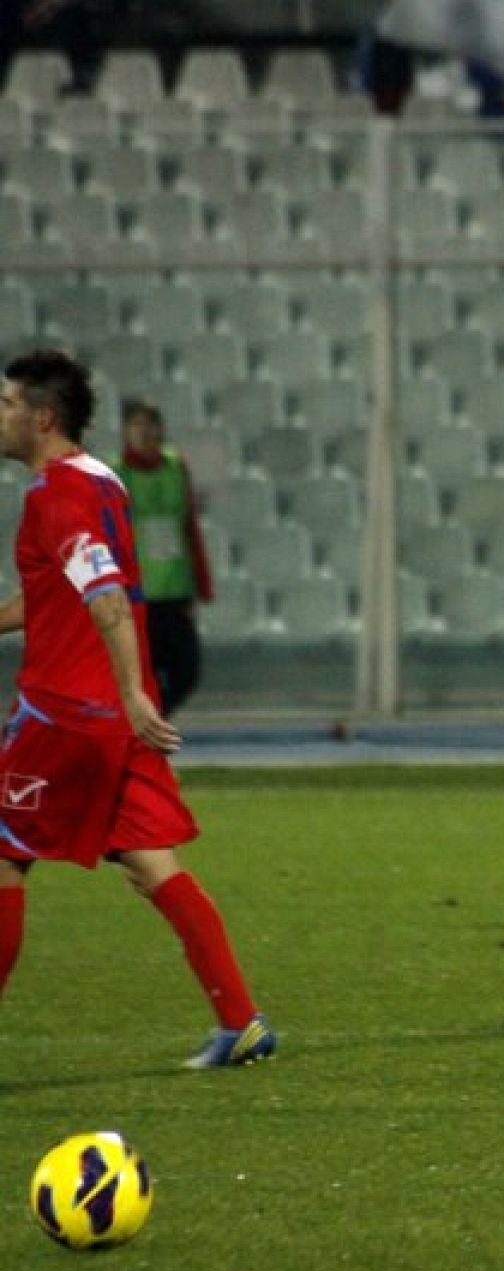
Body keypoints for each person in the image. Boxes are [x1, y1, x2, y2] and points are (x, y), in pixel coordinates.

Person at [0, 350, 275, 1069]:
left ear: (43, 418)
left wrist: (131, 691)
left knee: (3, 858)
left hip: (65, 714)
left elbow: (105, 596)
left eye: (6, 404)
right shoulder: (102, 480)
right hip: (112, 722)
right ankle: (241, 1022)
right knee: (153, 865)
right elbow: (61, 590)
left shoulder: (55, 495)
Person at [110, 399, 214, 716]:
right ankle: (143, 728)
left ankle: (151, 720)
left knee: (186, 671)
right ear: (126, 432)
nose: (145, 432)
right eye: (137, 425)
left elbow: (189, 525)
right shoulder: (115, 473)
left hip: (175, 588)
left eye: (150, 425)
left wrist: (201, 582)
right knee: (144, 672)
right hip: (136, 593)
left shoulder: (175, 466)